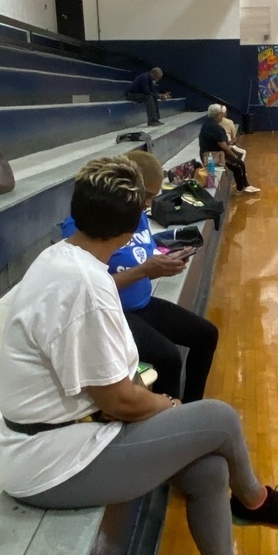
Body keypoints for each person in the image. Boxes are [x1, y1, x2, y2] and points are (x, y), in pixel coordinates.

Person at [0, 156, 278, 555]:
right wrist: (168, 407)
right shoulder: (84, 287)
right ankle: (254, 499)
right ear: (129, 231)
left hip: (64, 434)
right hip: (53, 460)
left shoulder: (64, 258)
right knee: (220, 418)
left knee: (208, 469)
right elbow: (119, 400)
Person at [61, 150, 218, 403]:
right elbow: (89, 289)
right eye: (147, 195)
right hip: (114, 312)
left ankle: (191, 409)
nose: (148, 203)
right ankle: (167, 424)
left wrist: (167, 257)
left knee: (206, 334)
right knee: (168, 358)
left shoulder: (138, 216)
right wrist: (144, 271)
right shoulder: (87, 226)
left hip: (142, 304)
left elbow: (141, 250)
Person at [201, 103, 260, 193]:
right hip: (213, 157)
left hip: (207, 154)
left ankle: (241, 187)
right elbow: (223, 146)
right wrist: (233, 156)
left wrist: (229, 143)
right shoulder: (216, 128)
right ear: (219, 114)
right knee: (239, 163)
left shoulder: (206, 124)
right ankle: (245, 186)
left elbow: (218, 142)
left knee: (236, 166)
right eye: (222, 114)